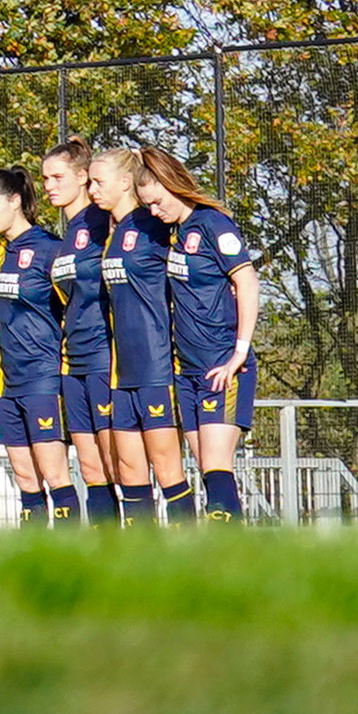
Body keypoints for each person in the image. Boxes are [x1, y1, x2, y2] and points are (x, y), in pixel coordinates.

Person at [132, 146, 260, 521]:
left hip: (221, 366)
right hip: (187, 371)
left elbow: (247, 283)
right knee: (206, 468)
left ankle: (233, 556)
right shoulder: (176, 233)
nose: (154, 211)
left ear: (172, 184)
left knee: (218, 468)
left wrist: (239, 353)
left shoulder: (213, 224)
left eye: (156, 202)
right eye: (147, 206)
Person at [83, 143, 186, 519]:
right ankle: (142, 564)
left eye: (98, 181)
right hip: (121, 371)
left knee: (168, 468)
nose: (92, 189)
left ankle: (192, 559)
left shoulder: (152, 224)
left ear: (126, 181)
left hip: (156, 365)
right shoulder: (111, 233)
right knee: (129, 471)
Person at [0, 167, 77, 532]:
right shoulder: (3, 252)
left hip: (43, 378)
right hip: (9, 380)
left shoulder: (49, 249)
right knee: (24, 475)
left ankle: (69, 550)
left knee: (54, 472)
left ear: (14, 200)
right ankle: (33, 554)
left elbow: (76, 308)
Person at [43, 137, 122, 520]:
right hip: (72, 359)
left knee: (118, 463)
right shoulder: (67, 235)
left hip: (104, 355)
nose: (49, 186)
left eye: (57, 177)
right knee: (91, 468)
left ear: (82, 176)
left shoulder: (102, 220)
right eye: (45, 179)